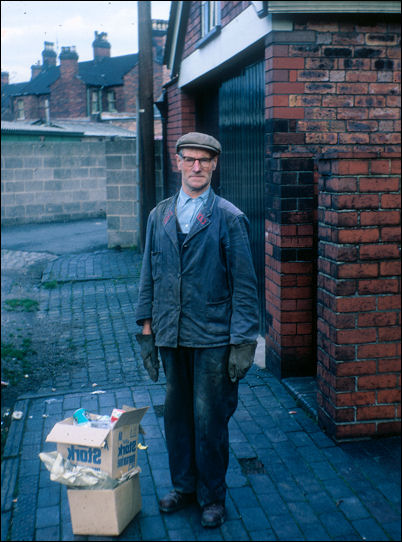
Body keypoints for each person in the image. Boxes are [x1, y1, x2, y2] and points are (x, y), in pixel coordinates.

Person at [136, 131, 259, 528]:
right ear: (177, 162)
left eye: (204, 160)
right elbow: (147, 278)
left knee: (210, 419)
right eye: (189, 159)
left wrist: (243, 342)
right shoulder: (160, 216)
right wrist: (146, 331)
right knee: (176, 417)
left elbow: (244, 286)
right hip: (171, 335)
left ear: (214, 165)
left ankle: (211, 496)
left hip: (212, 338)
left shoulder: (229, 217)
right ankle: (184, 487)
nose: (196, 166)